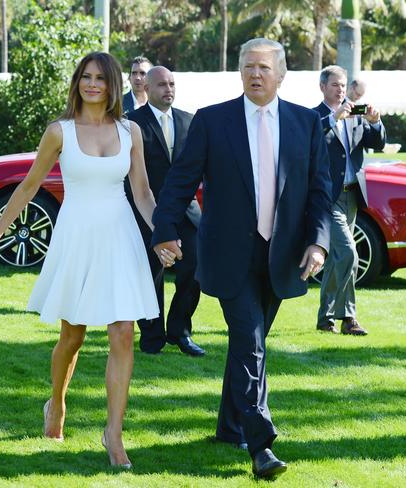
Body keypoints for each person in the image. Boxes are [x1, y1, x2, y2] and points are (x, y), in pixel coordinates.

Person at [0, 52, 165, 469]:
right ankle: (56, 402)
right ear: (77, 82)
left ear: (113, 85)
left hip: (120, 238)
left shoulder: (131, 131)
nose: (92, 84)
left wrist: (163, 235)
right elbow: (27, 187)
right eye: (85, 77)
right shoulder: (59, 132)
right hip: (76, 237)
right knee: (72, 337)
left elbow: (144, 194)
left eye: (100, 78)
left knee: (122, 334)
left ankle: (113, 434)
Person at [151, 38, 332, 478]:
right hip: (228, 254)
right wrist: (165, 230)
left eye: (264, 68)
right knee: (250, 342)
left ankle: (229, 426)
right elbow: (180, 182)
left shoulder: (305, 123)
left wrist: (319, 242)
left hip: (282, 255)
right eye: (248, 67)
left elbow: (320, 191)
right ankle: (261, 444)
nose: (255, 74)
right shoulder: (213, 121)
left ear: (282, 74)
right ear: (239, 72)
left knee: (248, 345)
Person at [126, 66, 205, 357]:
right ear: (146, 87)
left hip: (187, 213)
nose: (168, 89)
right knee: (150, 274)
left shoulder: (190, 121)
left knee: (194, 270)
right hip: (146, 213)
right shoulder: (131, 123)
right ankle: (152, 335)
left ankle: (180, 332)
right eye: (161, 84)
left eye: (171, 83)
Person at [314, 66, 386, 336]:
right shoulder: (315, 116)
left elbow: (376, 143)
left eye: (343, 85)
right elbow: (310, 142)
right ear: (323, 87)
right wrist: (333, 119)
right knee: (349, 254)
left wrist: (375, 122)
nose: (341, 89)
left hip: (352, 195)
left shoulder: (355, 114)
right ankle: (348, 318)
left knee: (337, 260)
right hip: (327, 198)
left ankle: (325, 318)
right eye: (335, 85)